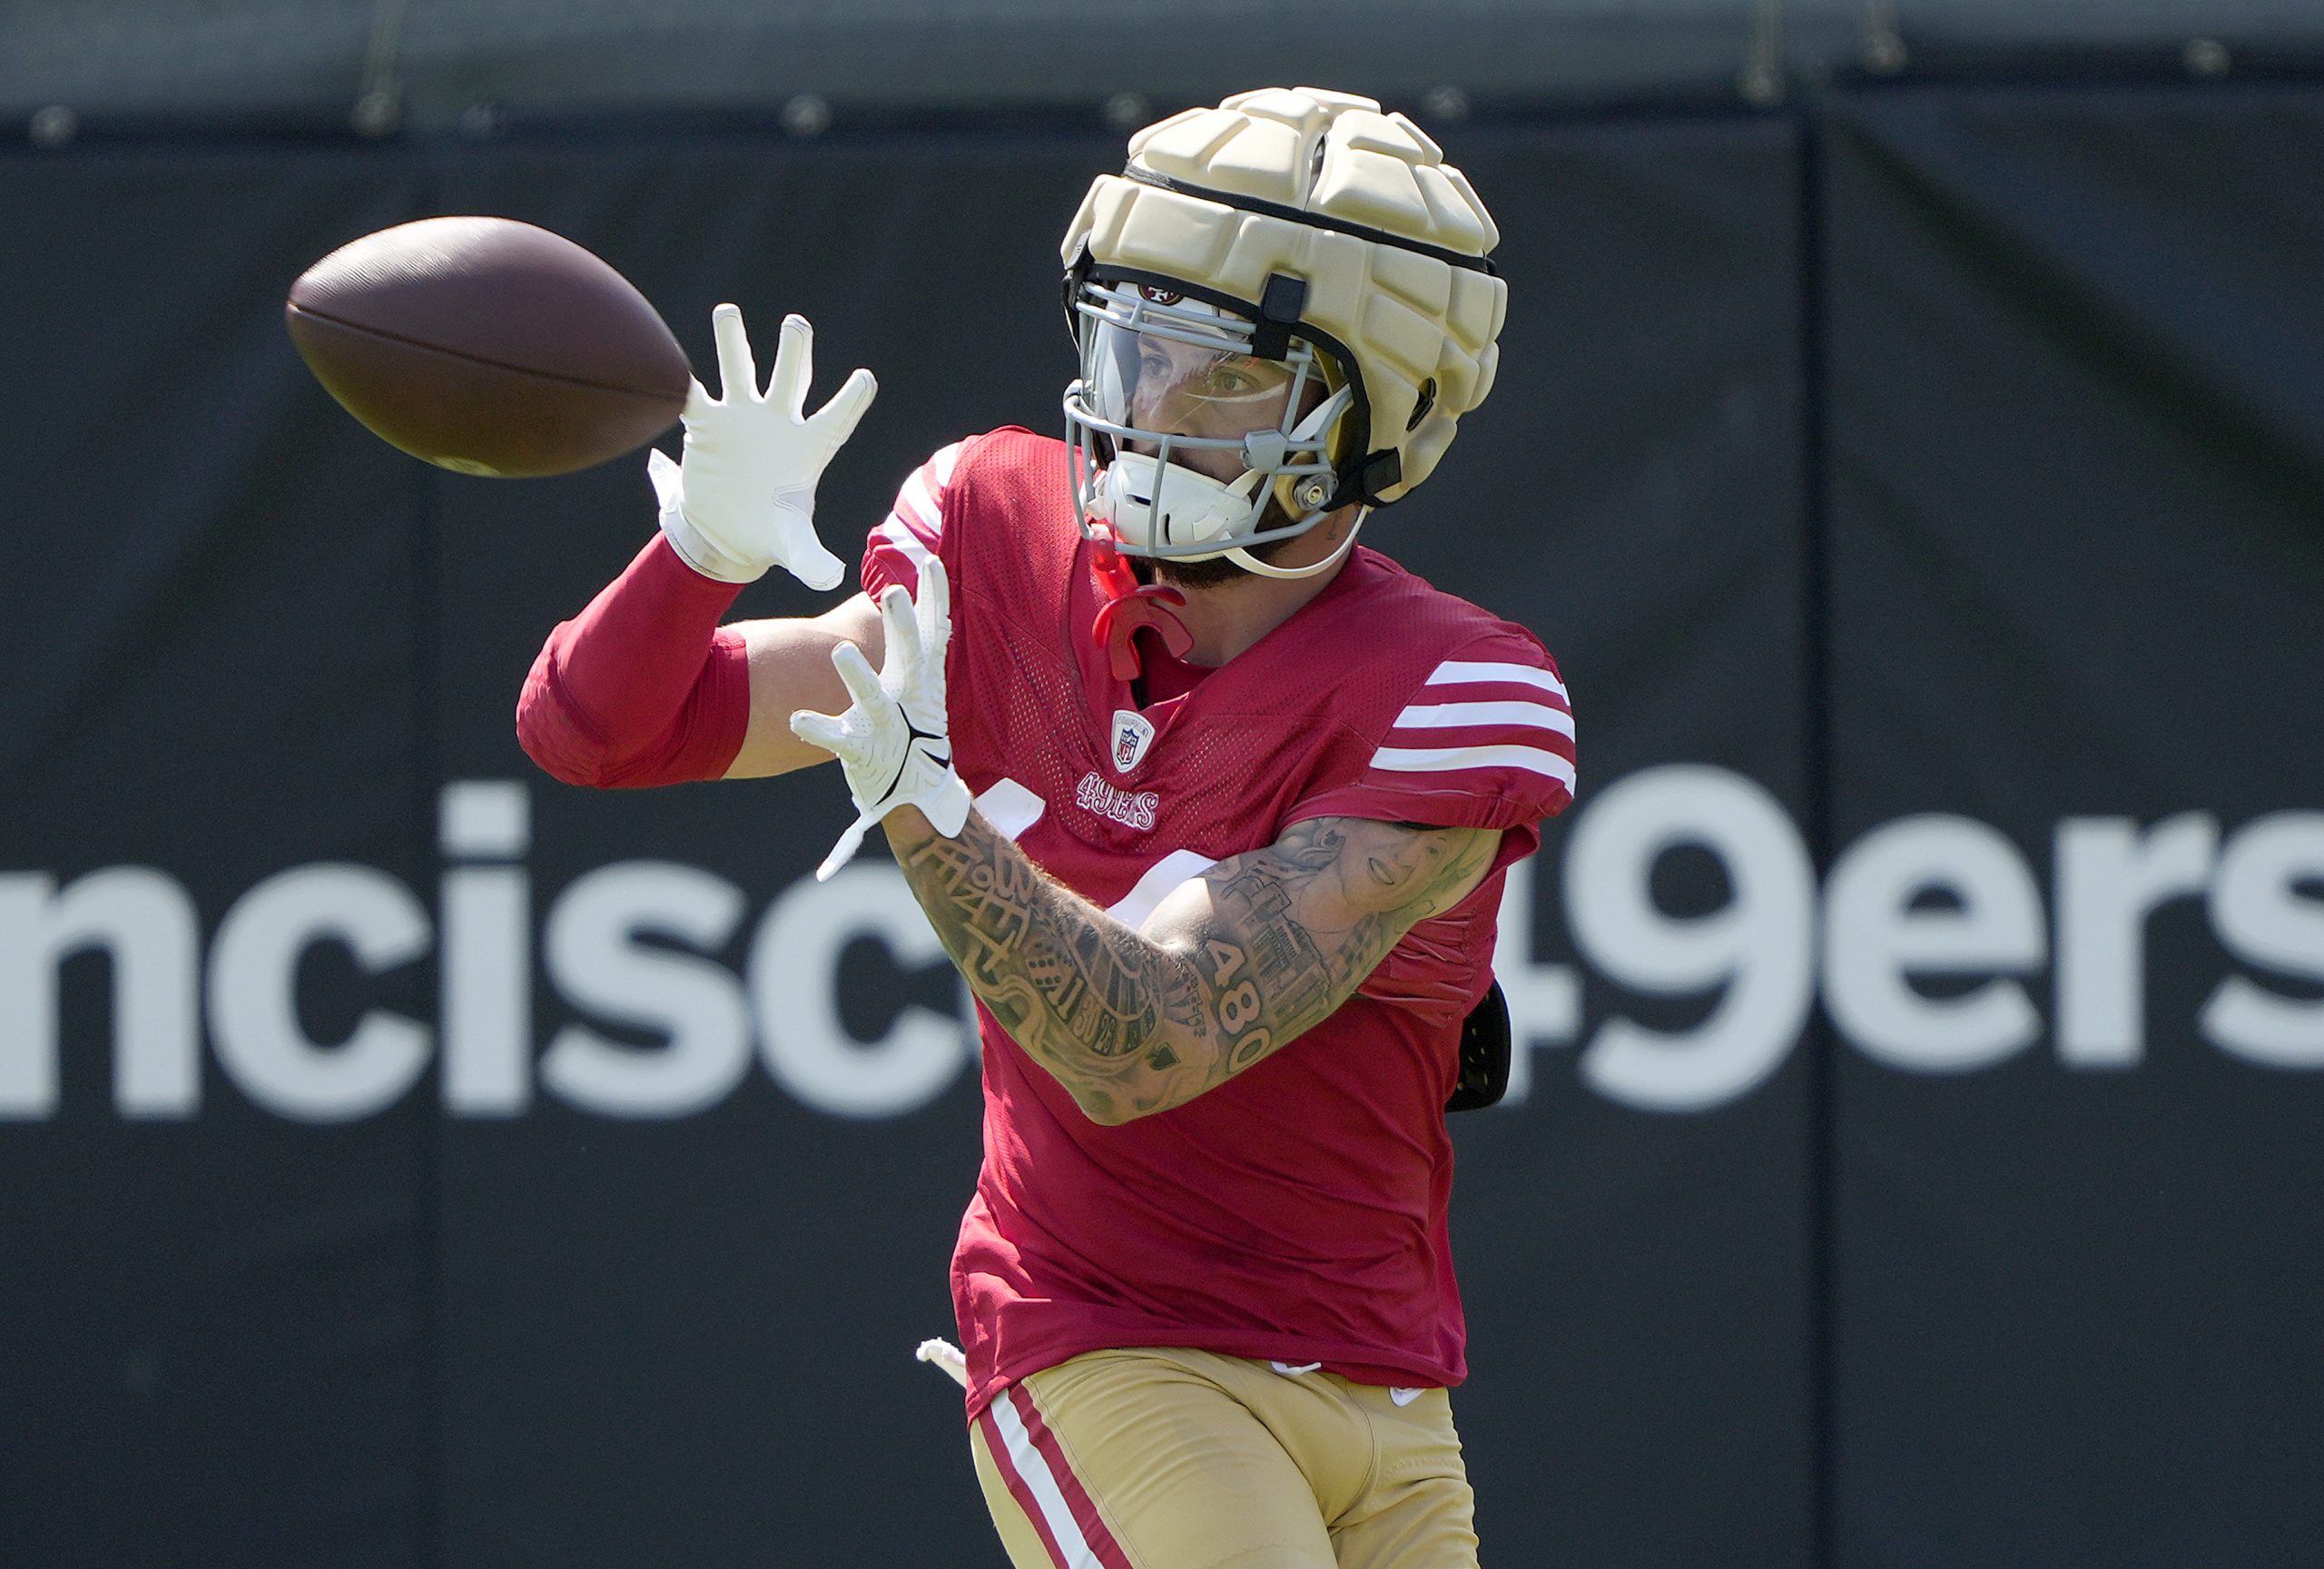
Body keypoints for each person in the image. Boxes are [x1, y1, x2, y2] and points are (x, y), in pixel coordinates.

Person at [517, 84, 1573, 1569]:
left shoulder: (1453, 688)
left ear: (1370, 417)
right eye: (1137, 350)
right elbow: (599, 729)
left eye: (1220, 378)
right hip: (1115, 1349)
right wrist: (695, 554)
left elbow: (1148, 1038)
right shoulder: (994, 550)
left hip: (1392, 1398)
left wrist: (928, 809)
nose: (1148, 405)